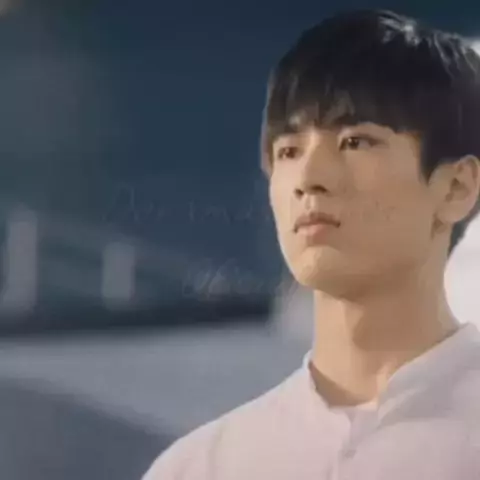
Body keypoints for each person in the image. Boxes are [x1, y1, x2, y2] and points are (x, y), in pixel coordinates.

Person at [143, 9, 480, 479]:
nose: (308, 177)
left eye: (356, 141)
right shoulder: (201, 466)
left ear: (457, 187)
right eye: (289, 150)